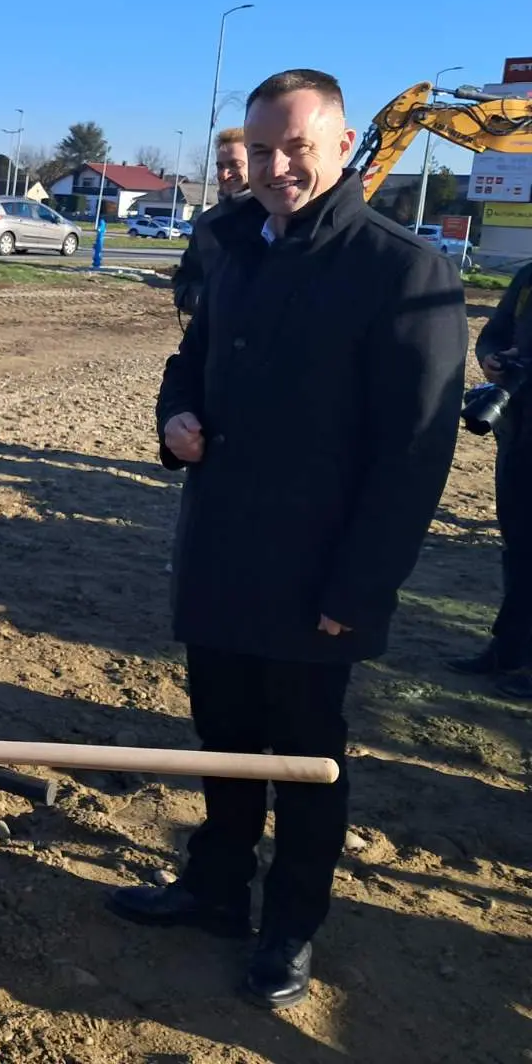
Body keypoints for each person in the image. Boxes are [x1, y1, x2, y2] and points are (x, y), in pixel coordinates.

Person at [108, 69, 467, 1009]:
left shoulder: (403, 271)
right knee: (222, 737)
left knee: (306, 758)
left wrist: (361, 591)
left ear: (344, 147)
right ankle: (217, 887)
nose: (274, 168)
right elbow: (188, 362)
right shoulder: (229, 241)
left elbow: (414, 457)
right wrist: (175, 417)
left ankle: (291, 926)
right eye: (260, 150)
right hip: (220, 550)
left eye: (295, 148)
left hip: (317, 579)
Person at [447, 261, 532, 700]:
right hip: (518, 433)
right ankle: (509, 649)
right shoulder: (529, 276)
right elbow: (495, 331)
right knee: (518, 549)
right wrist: (493, 360)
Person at [171, 126, 251, 316]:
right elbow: (184, 279)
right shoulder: (207, 222)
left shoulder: (276, 219)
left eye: (235, 165)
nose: (224, 174)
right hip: (211, 339)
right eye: (220, 166)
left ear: (257, 163)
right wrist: (200, 298)